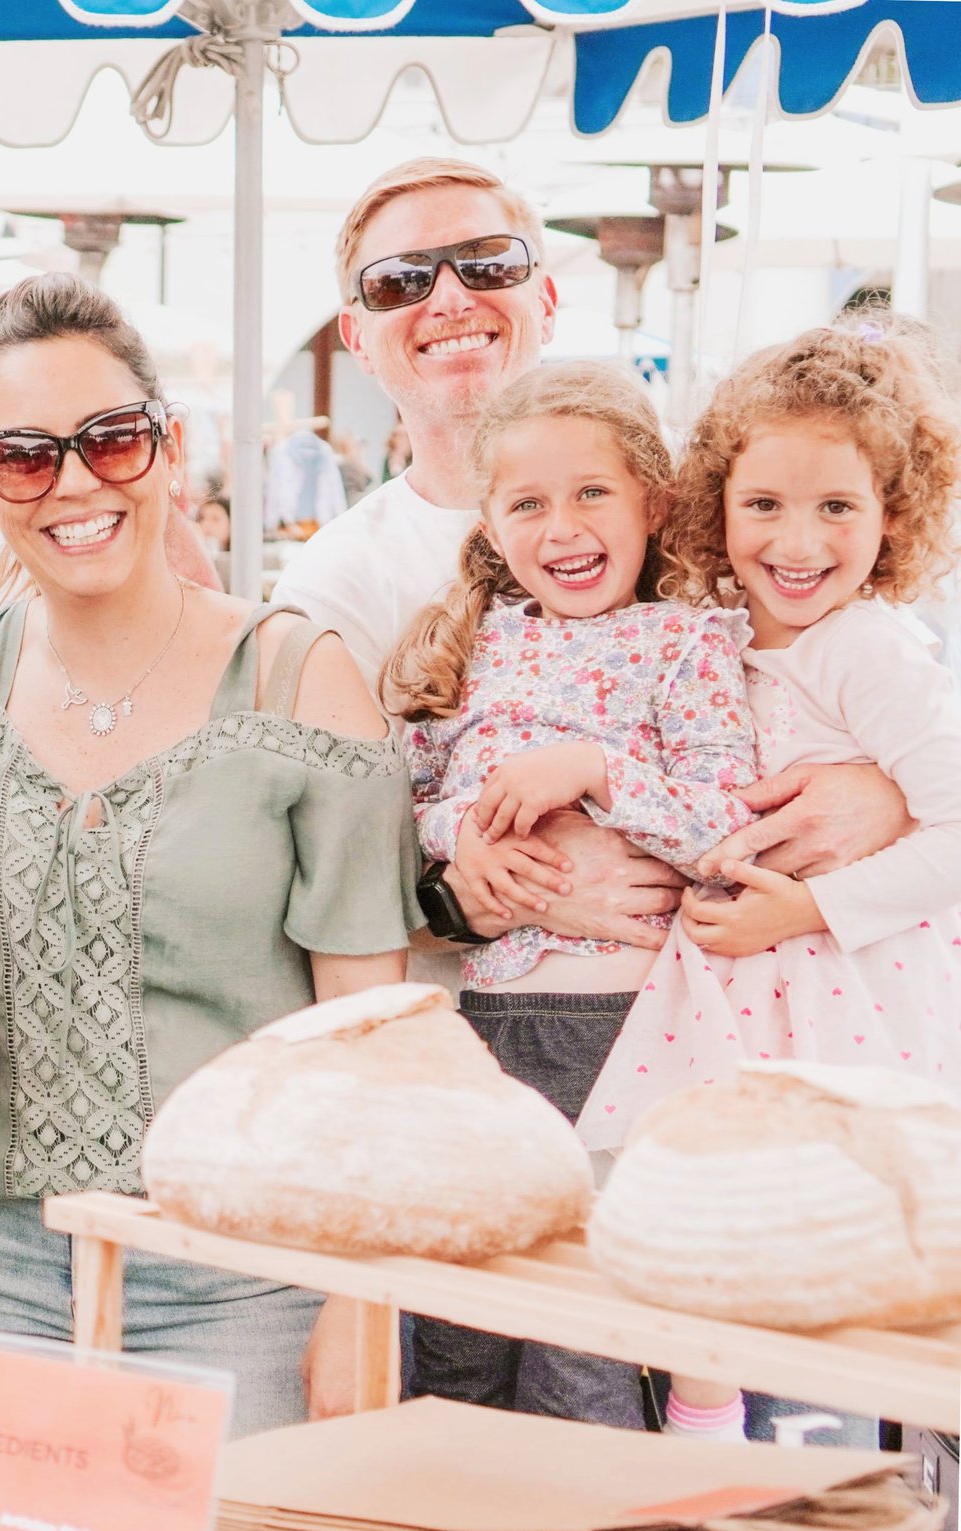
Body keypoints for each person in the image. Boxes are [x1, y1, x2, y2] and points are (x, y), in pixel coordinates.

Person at [0, 273, 422, 1437]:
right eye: (25, 455)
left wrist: (356, 1311)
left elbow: (367, 1041)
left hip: (239, 1280)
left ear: (170, 445)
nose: (74, 484)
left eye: (110, 440)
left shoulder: (300, 678)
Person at [275, 155, 914, 976]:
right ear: (356, 335)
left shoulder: (720, 522)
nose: (449, 297)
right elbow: (315, 869)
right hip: (489, 1041)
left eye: (487, 262)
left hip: (734, 1013)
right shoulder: (331, 587)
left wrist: (888, 795)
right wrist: (482, 897)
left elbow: (889, 690)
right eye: (400, 281)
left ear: (544, 298)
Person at [580, 312, 961, 1444]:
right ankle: (713, 1415)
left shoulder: (867, 647)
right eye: (765, 506)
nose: (797, 541)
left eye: (836, 507)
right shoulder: (723, 636)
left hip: (851, 993)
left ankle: (821, 1458)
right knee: (721, 1221)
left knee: (827, 1238)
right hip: (754, 993)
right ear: (717, 506)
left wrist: (810, 907)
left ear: (891, 516)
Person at [381, 359, 758, 1429]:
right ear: (491, 524)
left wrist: (594, 770)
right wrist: (464, 849)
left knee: (581, 1348)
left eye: (592, 491)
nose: (564, 526)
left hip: (628, 1035)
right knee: (459, 1334)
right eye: (528, 502)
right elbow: (402, 811)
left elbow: (726, 824)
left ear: (653, 498)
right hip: (487, 1030)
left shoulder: (687, 640)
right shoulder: (468, 650)